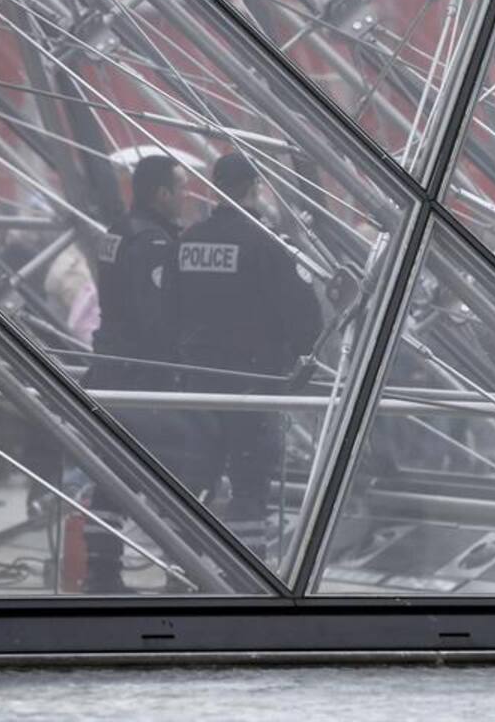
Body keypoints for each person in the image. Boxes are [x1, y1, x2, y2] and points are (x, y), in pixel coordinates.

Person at [172, 152, 322, 561]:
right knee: (250, 479)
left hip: (197, 377)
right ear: (254, 187)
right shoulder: (264, 242)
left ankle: (180, 564)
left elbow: (171, 306)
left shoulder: (189, 242)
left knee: (197, 474)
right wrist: (298, 355)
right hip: (251, 380)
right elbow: (303, 313)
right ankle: (245, 566)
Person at [83, 154, 188, 593]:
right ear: (161, 193)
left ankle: (102, 570)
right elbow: (156, 317)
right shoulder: (152, 242)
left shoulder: (117, 231)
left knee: (113, 473)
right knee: (174, 467)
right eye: (181, 189)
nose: (185, 198)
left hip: (110, 364)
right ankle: (180, 570)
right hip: (141, 373)